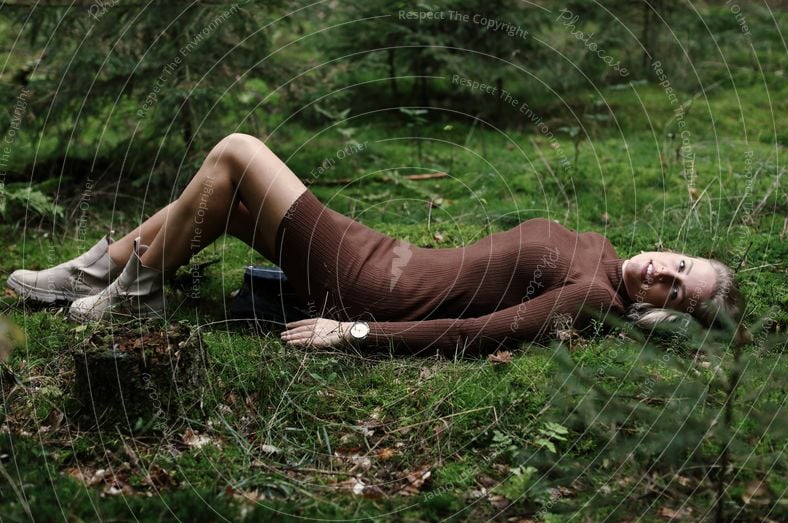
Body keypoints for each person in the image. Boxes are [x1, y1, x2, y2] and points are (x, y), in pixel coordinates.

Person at [5, 133, 748, 357]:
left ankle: (126, 286)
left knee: (236, 152)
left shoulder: (590, 297)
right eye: (678, 267)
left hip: (377, 287)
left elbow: (473, 333)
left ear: (658, 310)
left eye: (674, 293)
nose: (662, 276)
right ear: (671, 248)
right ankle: (94, 274)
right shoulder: (601, 247)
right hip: (382, 251)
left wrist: (354, 330)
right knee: (228, 206)